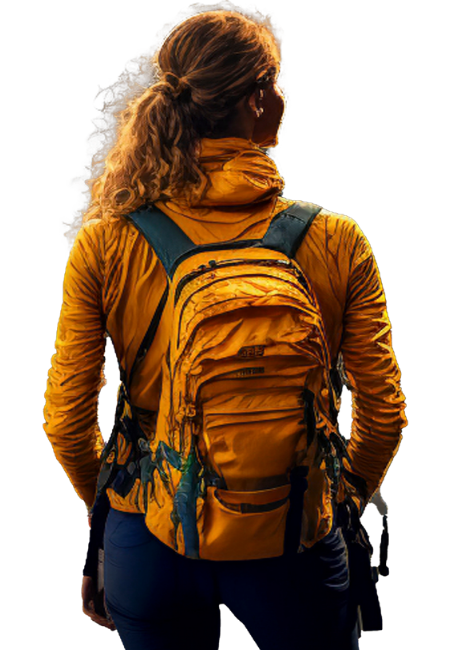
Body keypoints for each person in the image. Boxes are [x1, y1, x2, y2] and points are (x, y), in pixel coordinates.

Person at [43, 3, 408, 649]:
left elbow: (68, 419)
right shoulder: (336, 237)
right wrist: (334, 495)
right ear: (260, 97)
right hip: (294, 530)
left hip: (149, 534)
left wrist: (113, 512)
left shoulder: (106, 243)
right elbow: (383, 412)